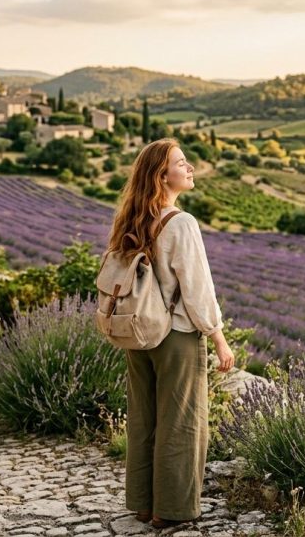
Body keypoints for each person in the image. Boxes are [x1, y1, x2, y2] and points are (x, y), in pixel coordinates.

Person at [105, 138, 235, 529]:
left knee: (144, 418)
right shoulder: (181, 223)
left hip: (137, 332)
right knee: (181, 422)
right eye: (182, 163)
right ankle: (172, 510)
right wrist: (218, 337)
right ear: (163, 176)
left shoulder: (132, 219)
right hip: (176, 334)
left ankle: (143, 504)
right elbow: (197, 287)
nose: (190, 167)